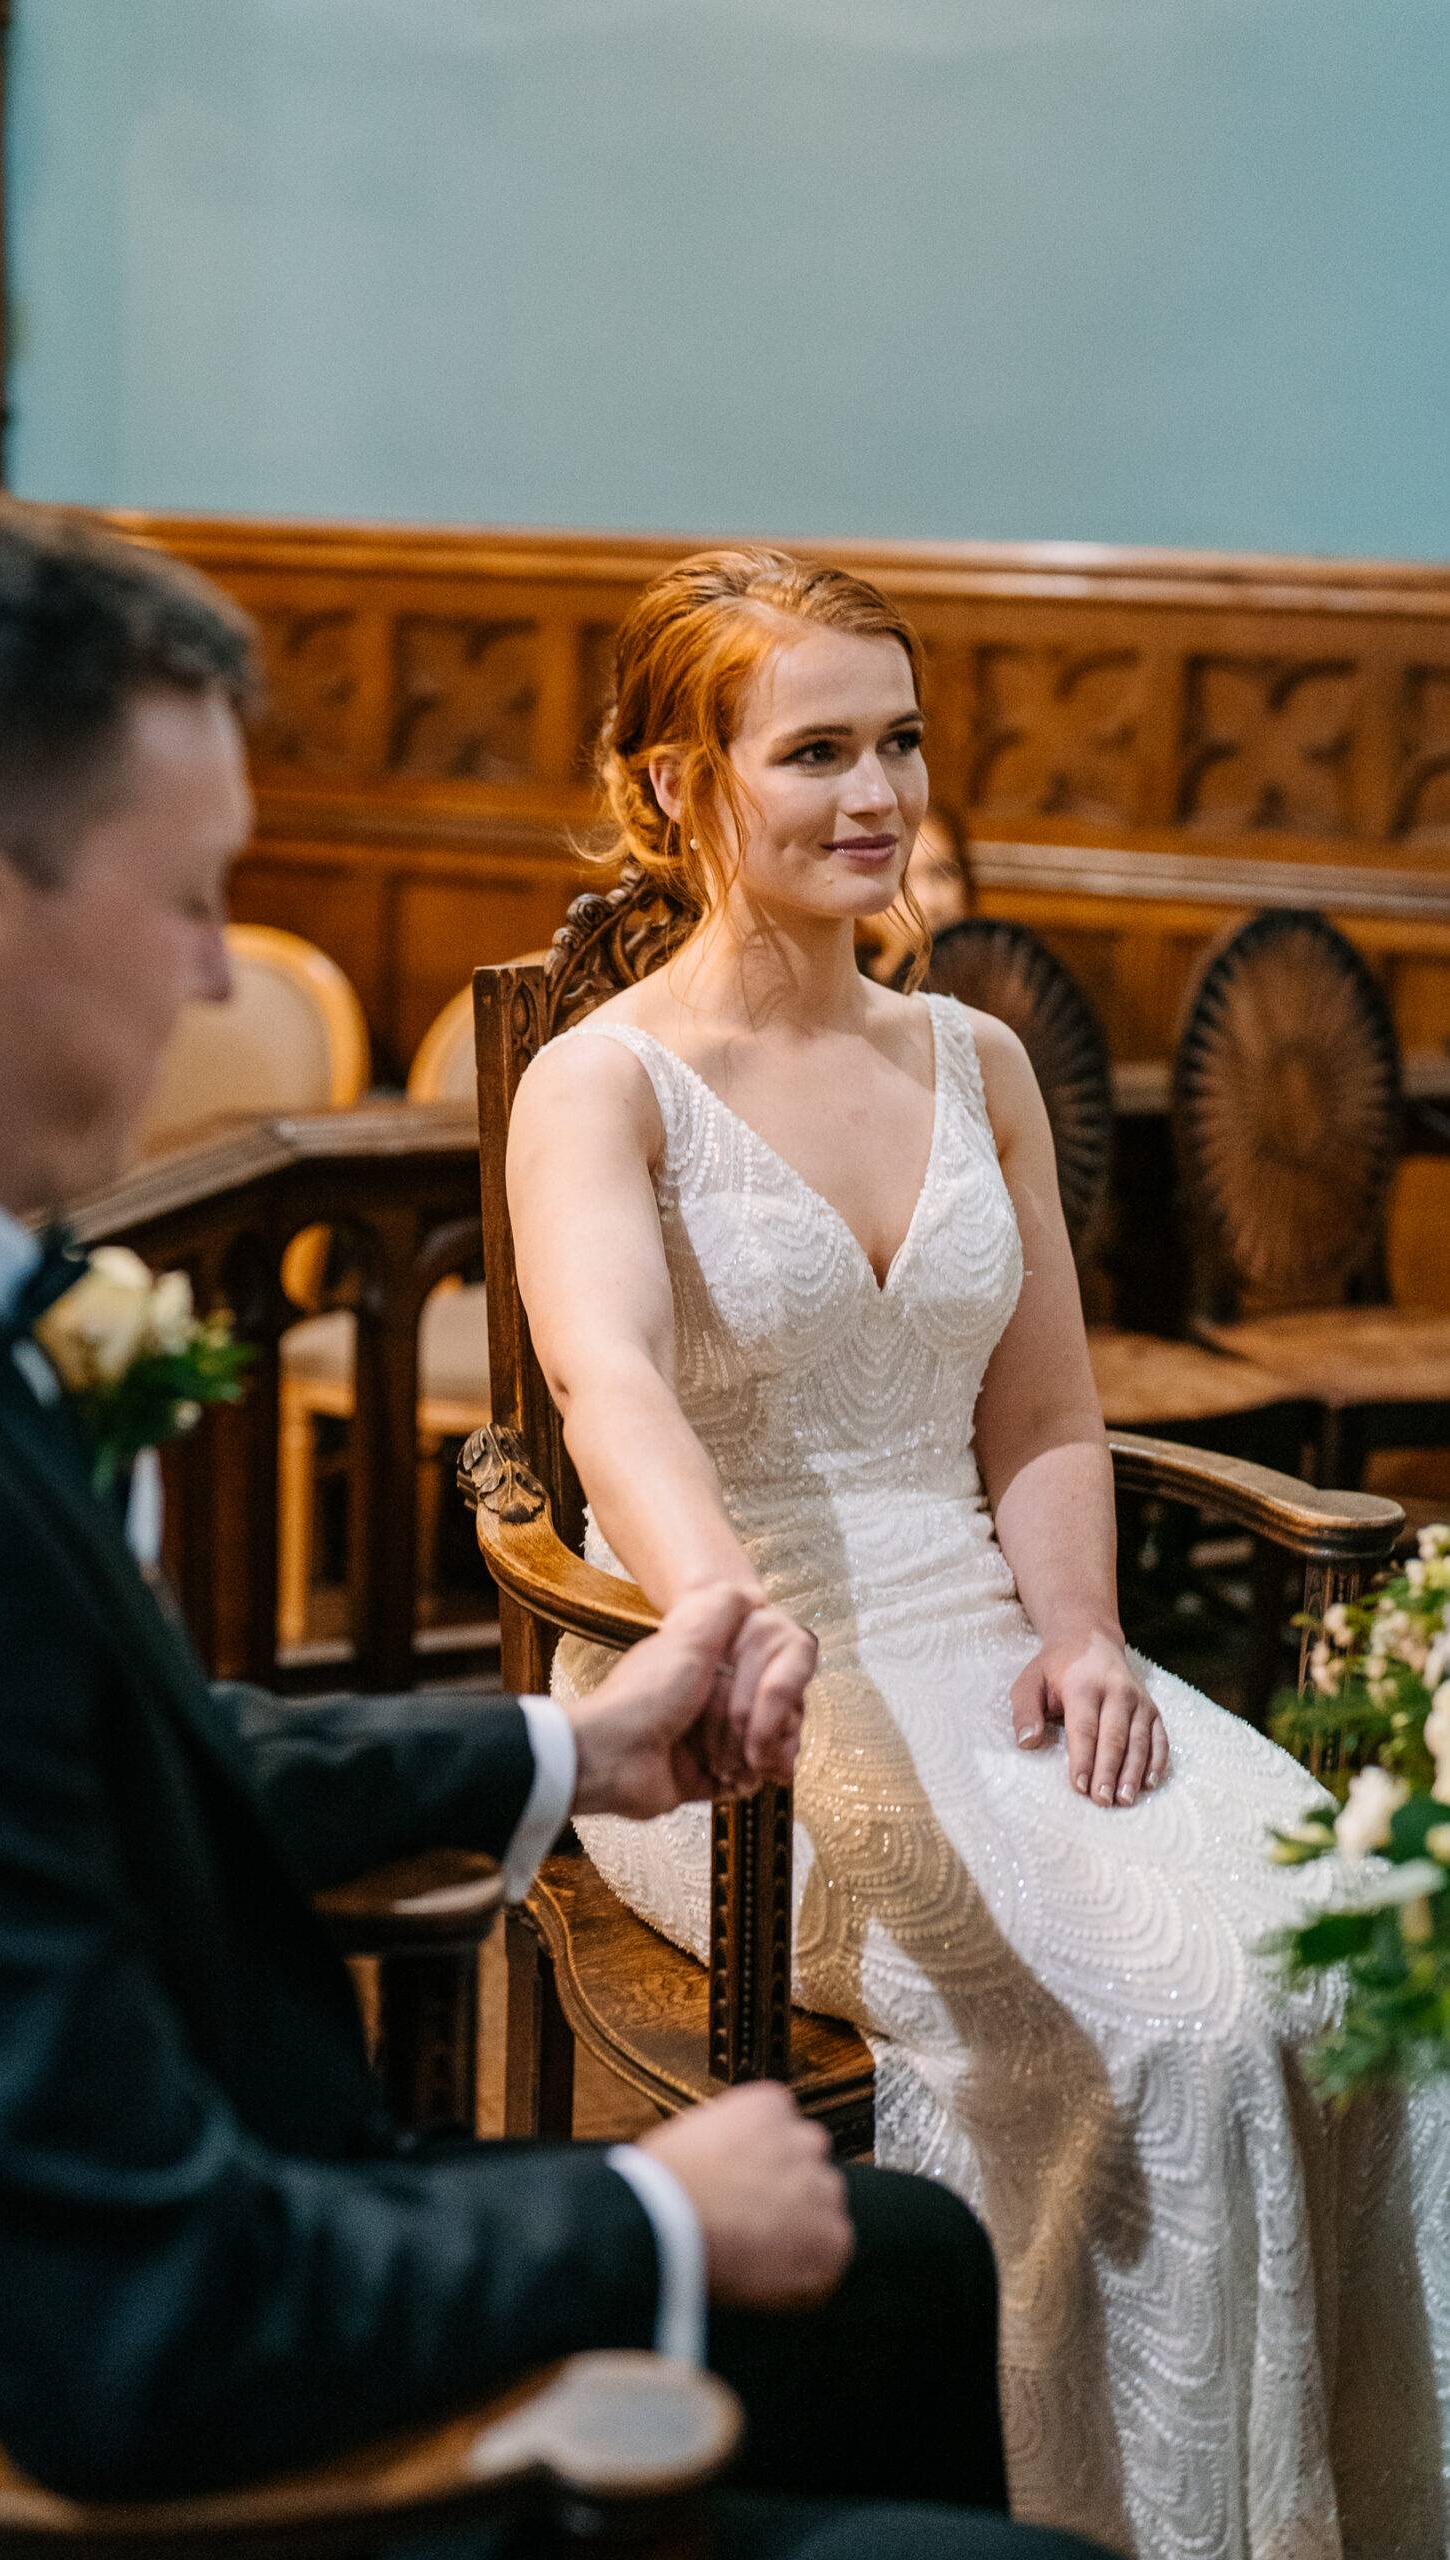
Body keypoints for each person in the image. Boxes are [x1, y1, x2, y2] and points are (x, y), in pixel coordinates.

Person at [0, 479, 1110, 2560]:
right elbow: (121, 2319)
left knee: (902, 2254)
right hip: (42, 2438)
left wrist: (558, 1745)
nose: (219, 973)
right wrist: (637, 2208)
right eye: (191, 898)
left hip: (170, 2220)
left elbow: (103, 1766)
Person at [507, 547, 1450, 2560]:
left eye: (900, 740)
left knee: (1361, 1935)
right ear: (680, 780)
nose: (877, 792)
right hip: (723, 1688)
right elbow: (610, 1394)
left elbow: (1033, 1411)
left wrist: (1088, 1631)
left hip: (989, 1625)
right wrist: (725, 1625)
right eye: (816, 748)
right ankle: (1117, 2525)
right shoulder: (597, 1083)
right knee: (1169, 2017)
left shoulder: (977, 1060)